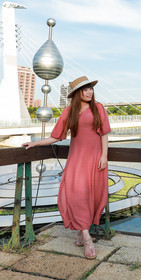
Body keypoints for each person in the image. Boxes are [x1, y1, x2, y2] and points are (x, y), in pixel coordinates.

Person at [22, 76, 110, 259]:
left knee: (92, 195)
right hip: (77, 159)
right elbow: (57, 136)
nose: (89, 92)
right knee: (77, 195)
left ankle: (81, 231)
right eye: (85, 89)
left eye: (90, 89)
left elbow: (104, 134)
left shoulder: (98, 107)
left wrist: (104, 156)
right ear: (77, 93)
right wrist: (35, 144)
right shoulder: (70, 111)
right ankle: (87, 238)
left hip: (95, 159)